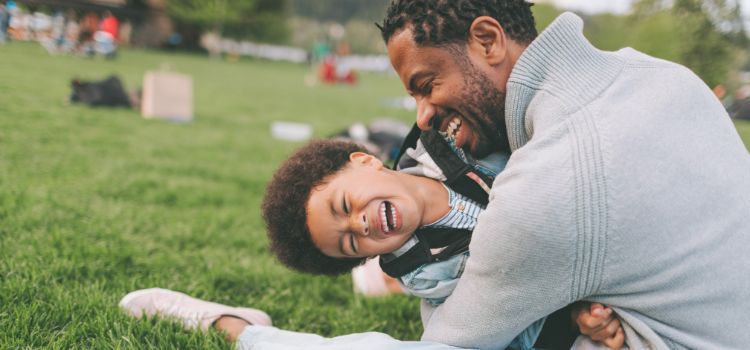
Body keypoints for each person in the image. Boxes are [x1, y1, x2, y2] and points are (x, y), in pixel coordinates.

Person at [378, 0, 750, 349]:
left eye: (426, 86)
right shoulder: (669, 77)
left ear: (488, 41)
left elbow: (448, 339)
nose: (422, 117)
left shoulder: (548, 183)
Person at [121, 139, 624, 349]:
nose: (360, 227)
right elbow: (507, 306)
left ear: (363, 161)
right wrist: (574, 313)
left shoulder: (455, 147)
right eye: (351, 244)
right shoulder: (426, 269)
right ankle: (234, 327)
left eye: (344, 207)